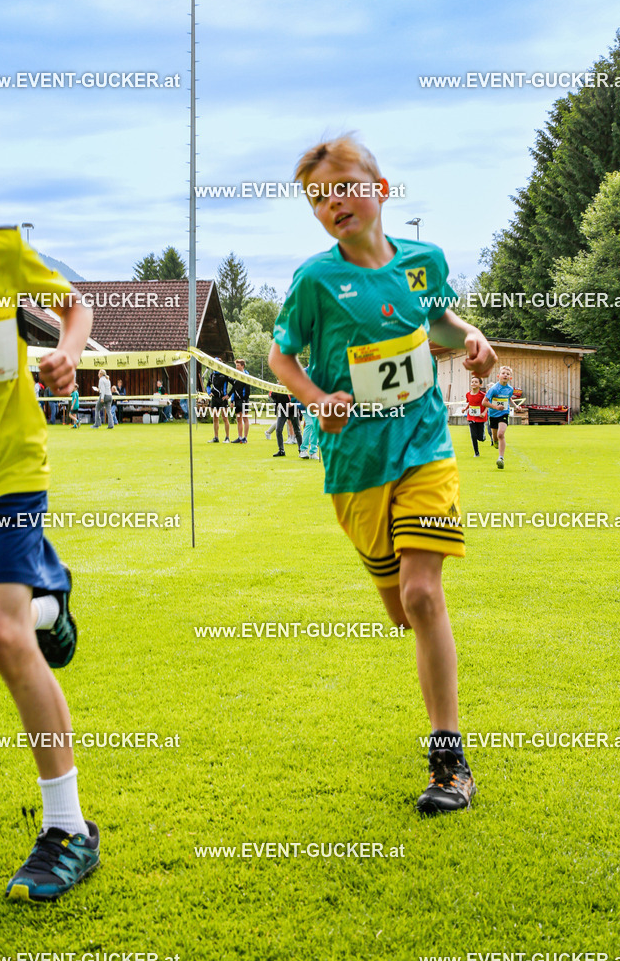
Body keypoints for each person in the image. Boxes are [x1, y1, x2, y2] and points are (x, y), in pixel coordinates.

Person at [268, 134, 496, 814]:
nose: (333, 200)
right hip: (355, 466)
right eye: (318, 197)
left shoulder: (423, 263)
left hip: (425, 446)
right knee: (400, 607)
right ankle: (398, 598)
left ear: (380, 189)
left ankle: (447, 757)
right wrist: (318, 400)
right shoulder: (315, 282)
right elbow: (282, 358)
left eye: (344, 185)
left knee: (425, 596)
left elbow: (441, 324)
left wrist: (473, 340)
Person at [0, 93, 99, 900]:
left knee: (2, 638)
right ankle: (51, 603)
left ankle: (68, 829)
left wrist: (66, 355)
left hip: (8, 467)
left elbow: (75, 304)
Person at [482, 365, 521, 470]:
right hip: (493, 414)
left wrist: (516, 406)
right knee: (495, 437)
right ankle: (494, 442)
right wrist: (495, 407)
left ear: (510, 378)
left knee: (501, 434)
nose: (505, 375)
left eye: (507, 374)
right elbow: (484, 402)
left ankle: (501, 458)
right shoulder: (493, 389)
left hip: (504, 413)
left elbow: (509, 399)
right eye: (503, 373)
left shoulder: (510, 389)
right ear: (498, 376)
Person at [461, 375, 487, 457]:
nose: (474, 383)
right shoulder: (468, 394)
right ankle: (476, 453)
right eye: (472, 382)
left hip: (480, 417)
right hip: (471, 416)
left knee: (480, 438)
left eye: (476, 382)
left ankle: (482, 437)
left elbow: (487, 405)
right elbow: (470, 403)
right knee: (473, 435)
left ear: (480, 385)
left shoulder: (483, 395)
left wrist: (484, 413)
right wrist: (465, 409)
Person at [270, 390, 301, 457]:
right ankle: (281, 450)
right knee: (278, 429)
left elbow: (297, 395)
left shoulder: (291, 385)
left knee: (297, 430)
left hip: (293, 410)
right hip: (283, 410)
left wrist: (292, 402)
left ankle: (301, 450)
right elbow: (272, 396)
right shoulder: (277, 387)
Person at [206, 359, 230, 443]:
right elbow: (208, 385)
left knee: (225, 418)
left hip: (223, 399)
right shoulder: (212, 375)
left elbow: (235, 384)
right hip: (215, 399)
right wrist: (209, 392)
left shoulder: (225, 374)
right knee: (215, 418)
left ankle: (227, 437)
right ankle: (216, 437)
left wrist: (229, 395)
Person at [230, 358, 251, 443]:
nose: (236, 367)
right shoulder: (235, 375)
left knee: (245, 418)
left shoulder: (246, 375)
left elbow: (247, 390)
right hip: (237, 400)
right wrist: (232, 400)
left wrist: (245, 399)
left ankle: (245, 438)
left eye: (238, 365)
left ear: (242, 366)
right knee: (238, 418)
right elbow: (234, 388)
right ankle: (239, 437)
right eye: (236, 365)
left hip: (244, 400)